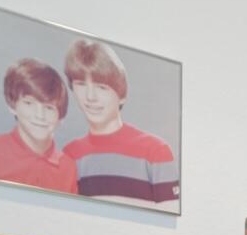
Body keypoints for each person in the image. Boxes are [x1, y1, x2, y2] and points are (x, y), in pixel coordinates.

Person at [61, 39, 180, 206]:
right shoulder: (70, 155)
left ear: (121, 94)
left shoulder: (154, 151)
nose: (90, 97)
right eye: (81, 84)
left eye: (101, 87)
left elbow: (171, 217)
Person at [0, 59, 78, 193]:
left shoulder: (67, 166)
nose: (39, 115)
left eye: (49, 108)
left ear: (60, 117)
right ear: (13, 106)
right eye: (29, 103)